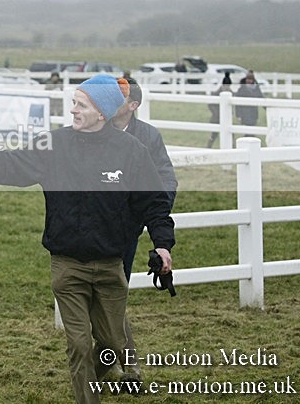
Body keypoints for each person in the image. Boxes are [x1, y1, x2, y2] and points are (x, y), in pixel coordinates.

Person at [0, 74, 175, 404]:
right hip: (67, 267)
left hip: (110, 267)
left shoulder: (130, 151)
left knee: (112, 345)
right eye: (73, 102)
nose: (72, 110)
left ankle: (89, 378)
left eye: (80, 104)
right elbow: (6, 165)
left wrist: (162, 243)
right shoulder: (54, 145)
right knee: (78, 345)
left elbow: (155, 202)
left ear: (102, 113)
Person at [94, 77, 178, 384]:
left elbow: (165, 180)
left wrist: (155, 217)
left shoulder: (148, 137)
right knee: (104, 299)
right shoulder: (94, 130)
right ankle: (121, 365)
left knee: (112, 298)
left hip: (126, 231)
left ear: (133, 106)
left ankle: (121, 366)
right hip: (93, 228)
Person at [234, 70, 264, 137]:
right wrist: (238, 115)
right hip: (245, 113)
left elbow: (261, 98)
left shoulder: (256, 88)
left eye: (250, 79)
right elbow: (237, 103)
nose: (249, 81)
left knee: (252, 130)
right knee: (248, 131)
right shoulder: (242, 89)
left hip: (253, 113)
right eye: (248, 79)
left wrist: (267, 107)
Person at [206, 72, 232, 148]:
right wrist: (216, 113)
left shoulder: (231, 93)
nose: (227, 88)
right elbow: (210, 104)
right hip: (216, 118)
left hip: (227, 118)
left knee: (230, 134)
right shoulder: (216, 93)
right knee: (213, 135)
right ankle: (208, 147)